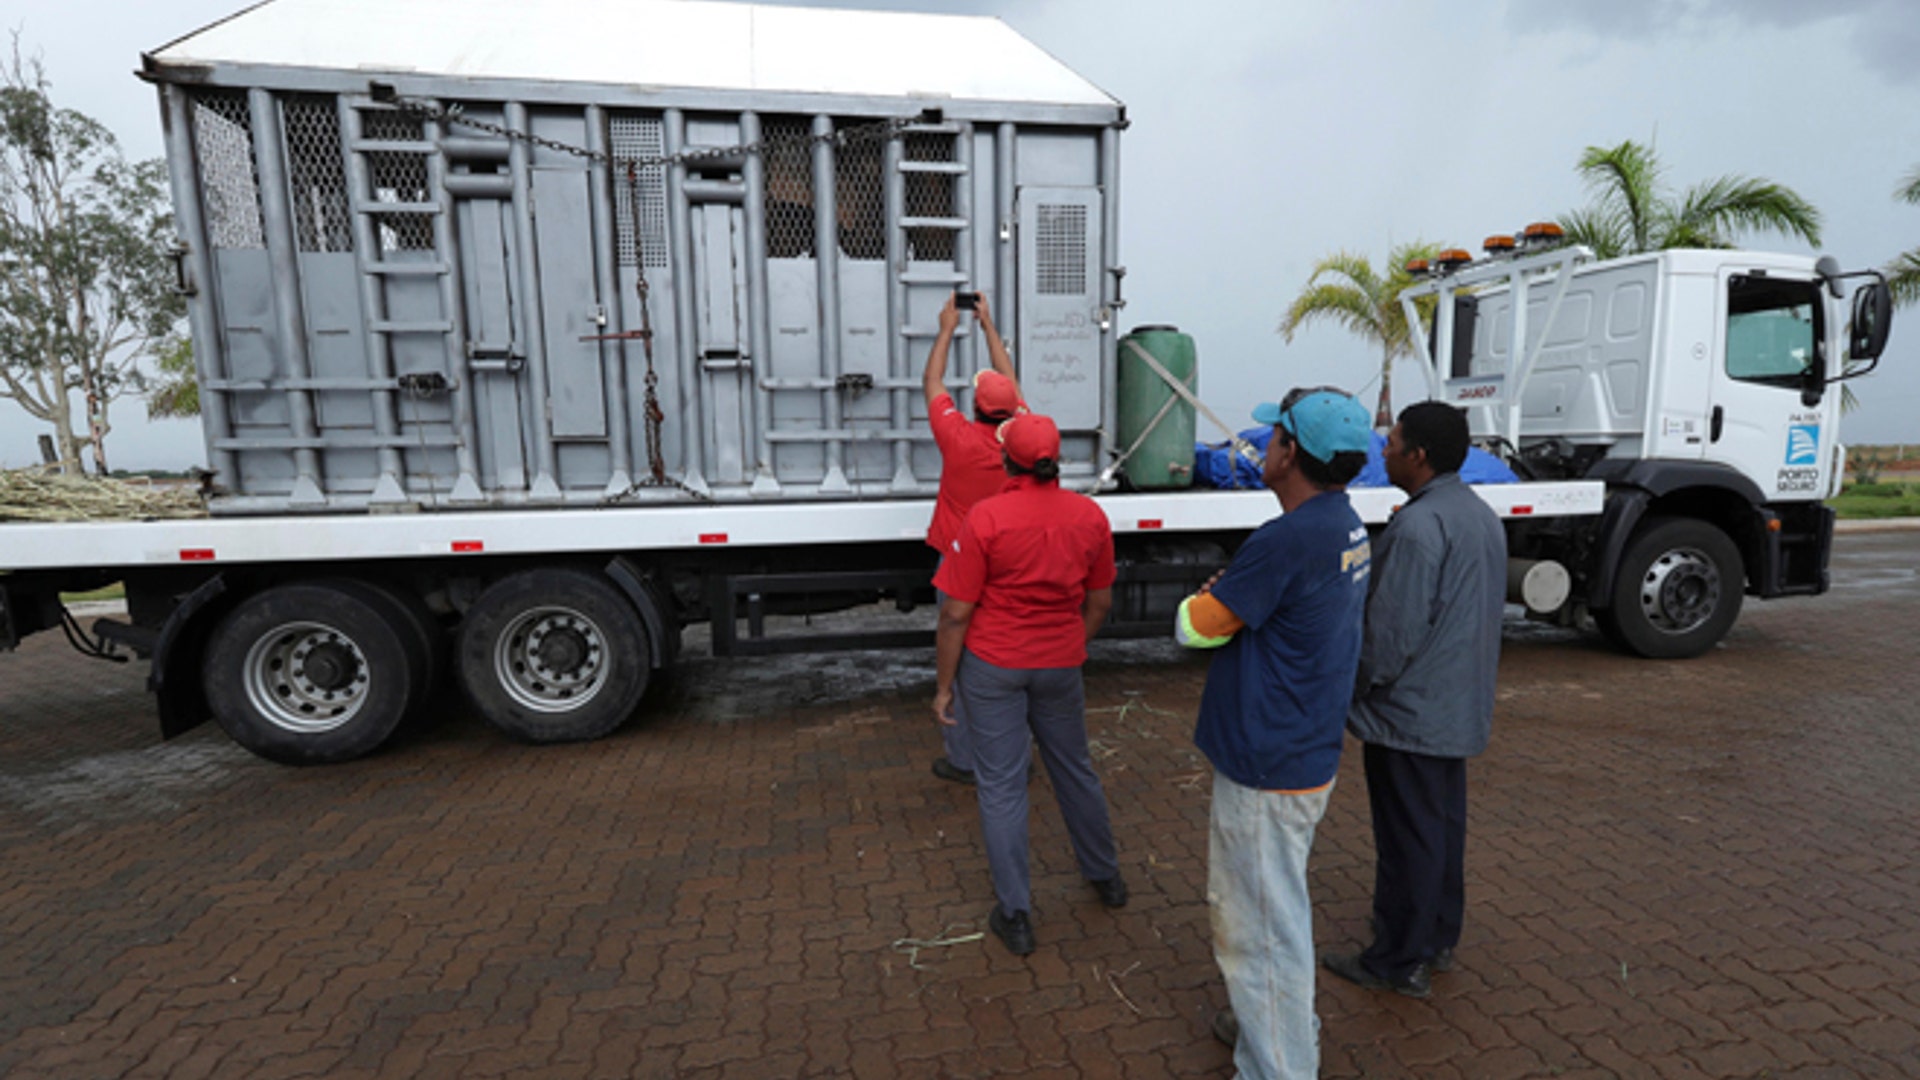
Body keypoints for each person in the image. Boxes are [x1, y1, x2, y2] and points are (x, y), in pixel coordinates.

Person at [1175, 387, 1374, 1079]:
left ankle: (1281, 1065)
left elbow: (1196, 626)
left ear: (1293, 454)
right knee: (1277, 908)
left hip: (1270, 760)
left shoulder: (1287, 537)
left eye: (1274, 438)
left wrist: (1212, 594)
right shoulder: (1342, 520)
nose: (1263, 447)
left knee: (1260, 931)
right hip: (1303, 746)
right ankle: (1280, 1027)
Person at [1322, 401, 1507, 999]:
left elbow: (1390, 636)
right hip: (1455, 706)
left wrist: (1352, 687)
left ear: (1418, 456)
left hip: (1411, 717)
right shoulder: (1477, 514)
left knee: (1407, 839)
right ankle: (1434, 936)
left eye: (1394, 442)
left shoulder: (1418, 527)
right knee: (1440, 829)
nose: (1385, 450)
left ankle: (1397, 960)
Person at [931, 412, 1125, 956]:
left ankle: (1015, 914)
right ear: (1055, 459)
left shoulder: (987, 518)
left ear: (1005, 458)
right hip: (1059, 664)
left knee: (1001, 786)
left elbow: (955, 615)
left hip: (993, 666)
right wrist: (1071, 646)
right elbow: (1101, 601)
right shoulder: (1089, 516)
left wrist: (944, 687)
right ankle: (1106, 877)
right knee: (1075, 770)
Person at [922, 290, 1024, 786]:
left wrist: (947, 329)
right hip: (1009, 564)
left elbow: (932, 381)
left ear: (977, 408)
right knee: (1009, 655)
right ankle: (1014, 758)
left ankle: (964, 760)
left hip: (960, 565)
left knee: (959, 659)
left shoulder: (957, 439)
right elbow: (1011, 383)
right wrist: (989, 327)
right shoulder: (1023, 439)